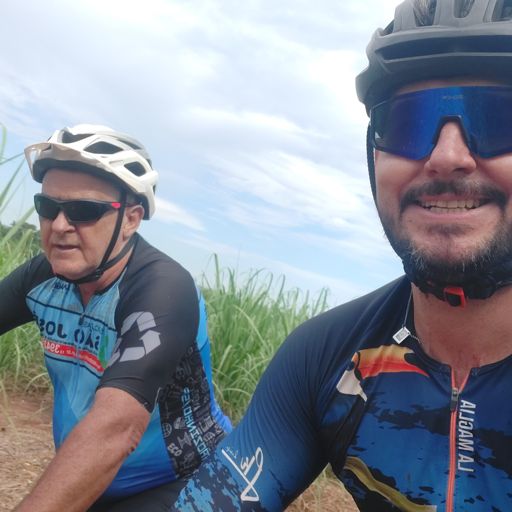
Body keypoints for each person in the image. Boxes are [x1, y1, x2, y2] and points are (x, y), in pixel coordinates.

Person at [172, 0, 512, 510]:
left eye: (501, 117)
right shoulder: (326, 358)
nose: (446, 157)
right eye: (408, 121)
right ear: (374, 154)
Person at [0, 124, 231, 512]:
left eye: (83, 211)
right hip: (101, 479)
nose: (59, 225)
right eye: (48, 207)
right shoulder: (43, 277)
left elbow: (116, 427)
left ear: (131, 219)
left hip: (187, 479)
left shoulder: (162, 288)